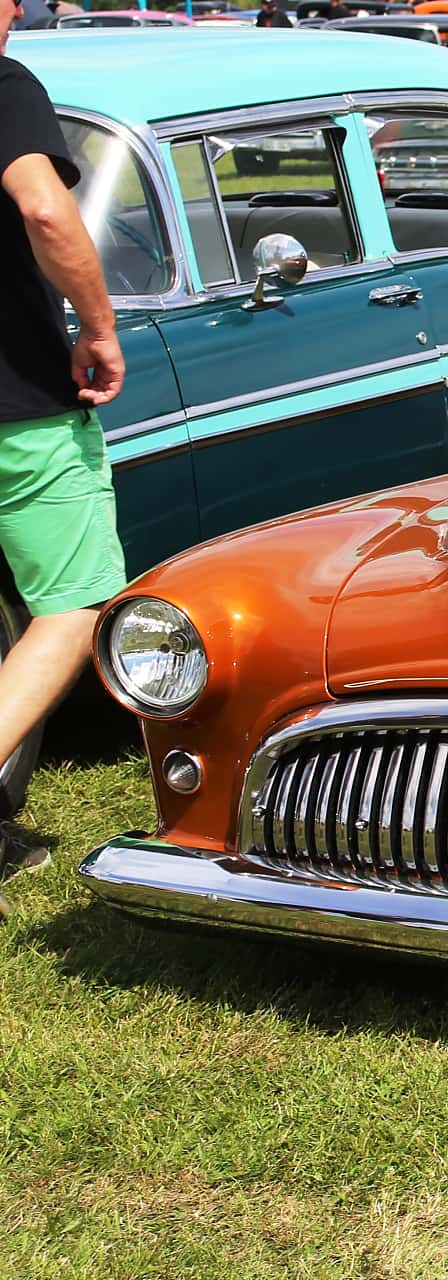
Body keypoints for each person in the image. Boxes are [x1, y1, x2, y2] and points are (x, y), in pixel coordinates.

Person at [0, 0, 129, 914]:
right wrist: (102, 327)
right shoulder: (6, 85)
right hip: (19, 409)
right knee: (75, 606)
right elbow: (45, 208)